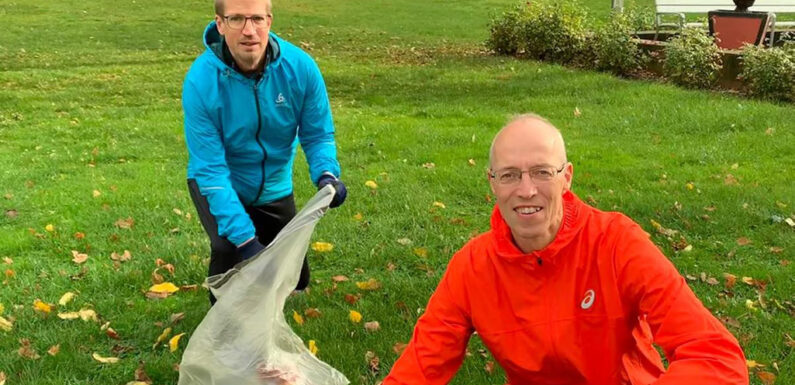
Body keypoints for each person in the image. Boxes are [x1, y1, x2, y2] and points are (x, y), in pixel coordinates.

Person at [382, 114, 748, 384]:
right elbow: (420, 366)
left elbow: (715, 356)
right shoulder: (473, 266)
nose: (526, 190)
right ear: (491, 183)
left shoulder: (617, 242)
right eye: (509, 175)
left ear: (566, 176)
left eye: (542, 172)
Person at [183, 0, 346, 304]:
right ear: (220, 24)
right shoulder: (201, 81)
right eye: (237, 20)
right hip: (220, 181)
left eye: (257, 19)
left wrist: (326, 173)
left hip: (273, 185)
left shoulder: (300, 68)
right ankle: (225, 317)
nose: (249, 31)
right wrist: (246, 242)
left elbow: (317, 133)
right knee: (227, 248)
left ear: (269, 21)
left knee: (297, 280)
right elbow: (211, 168)